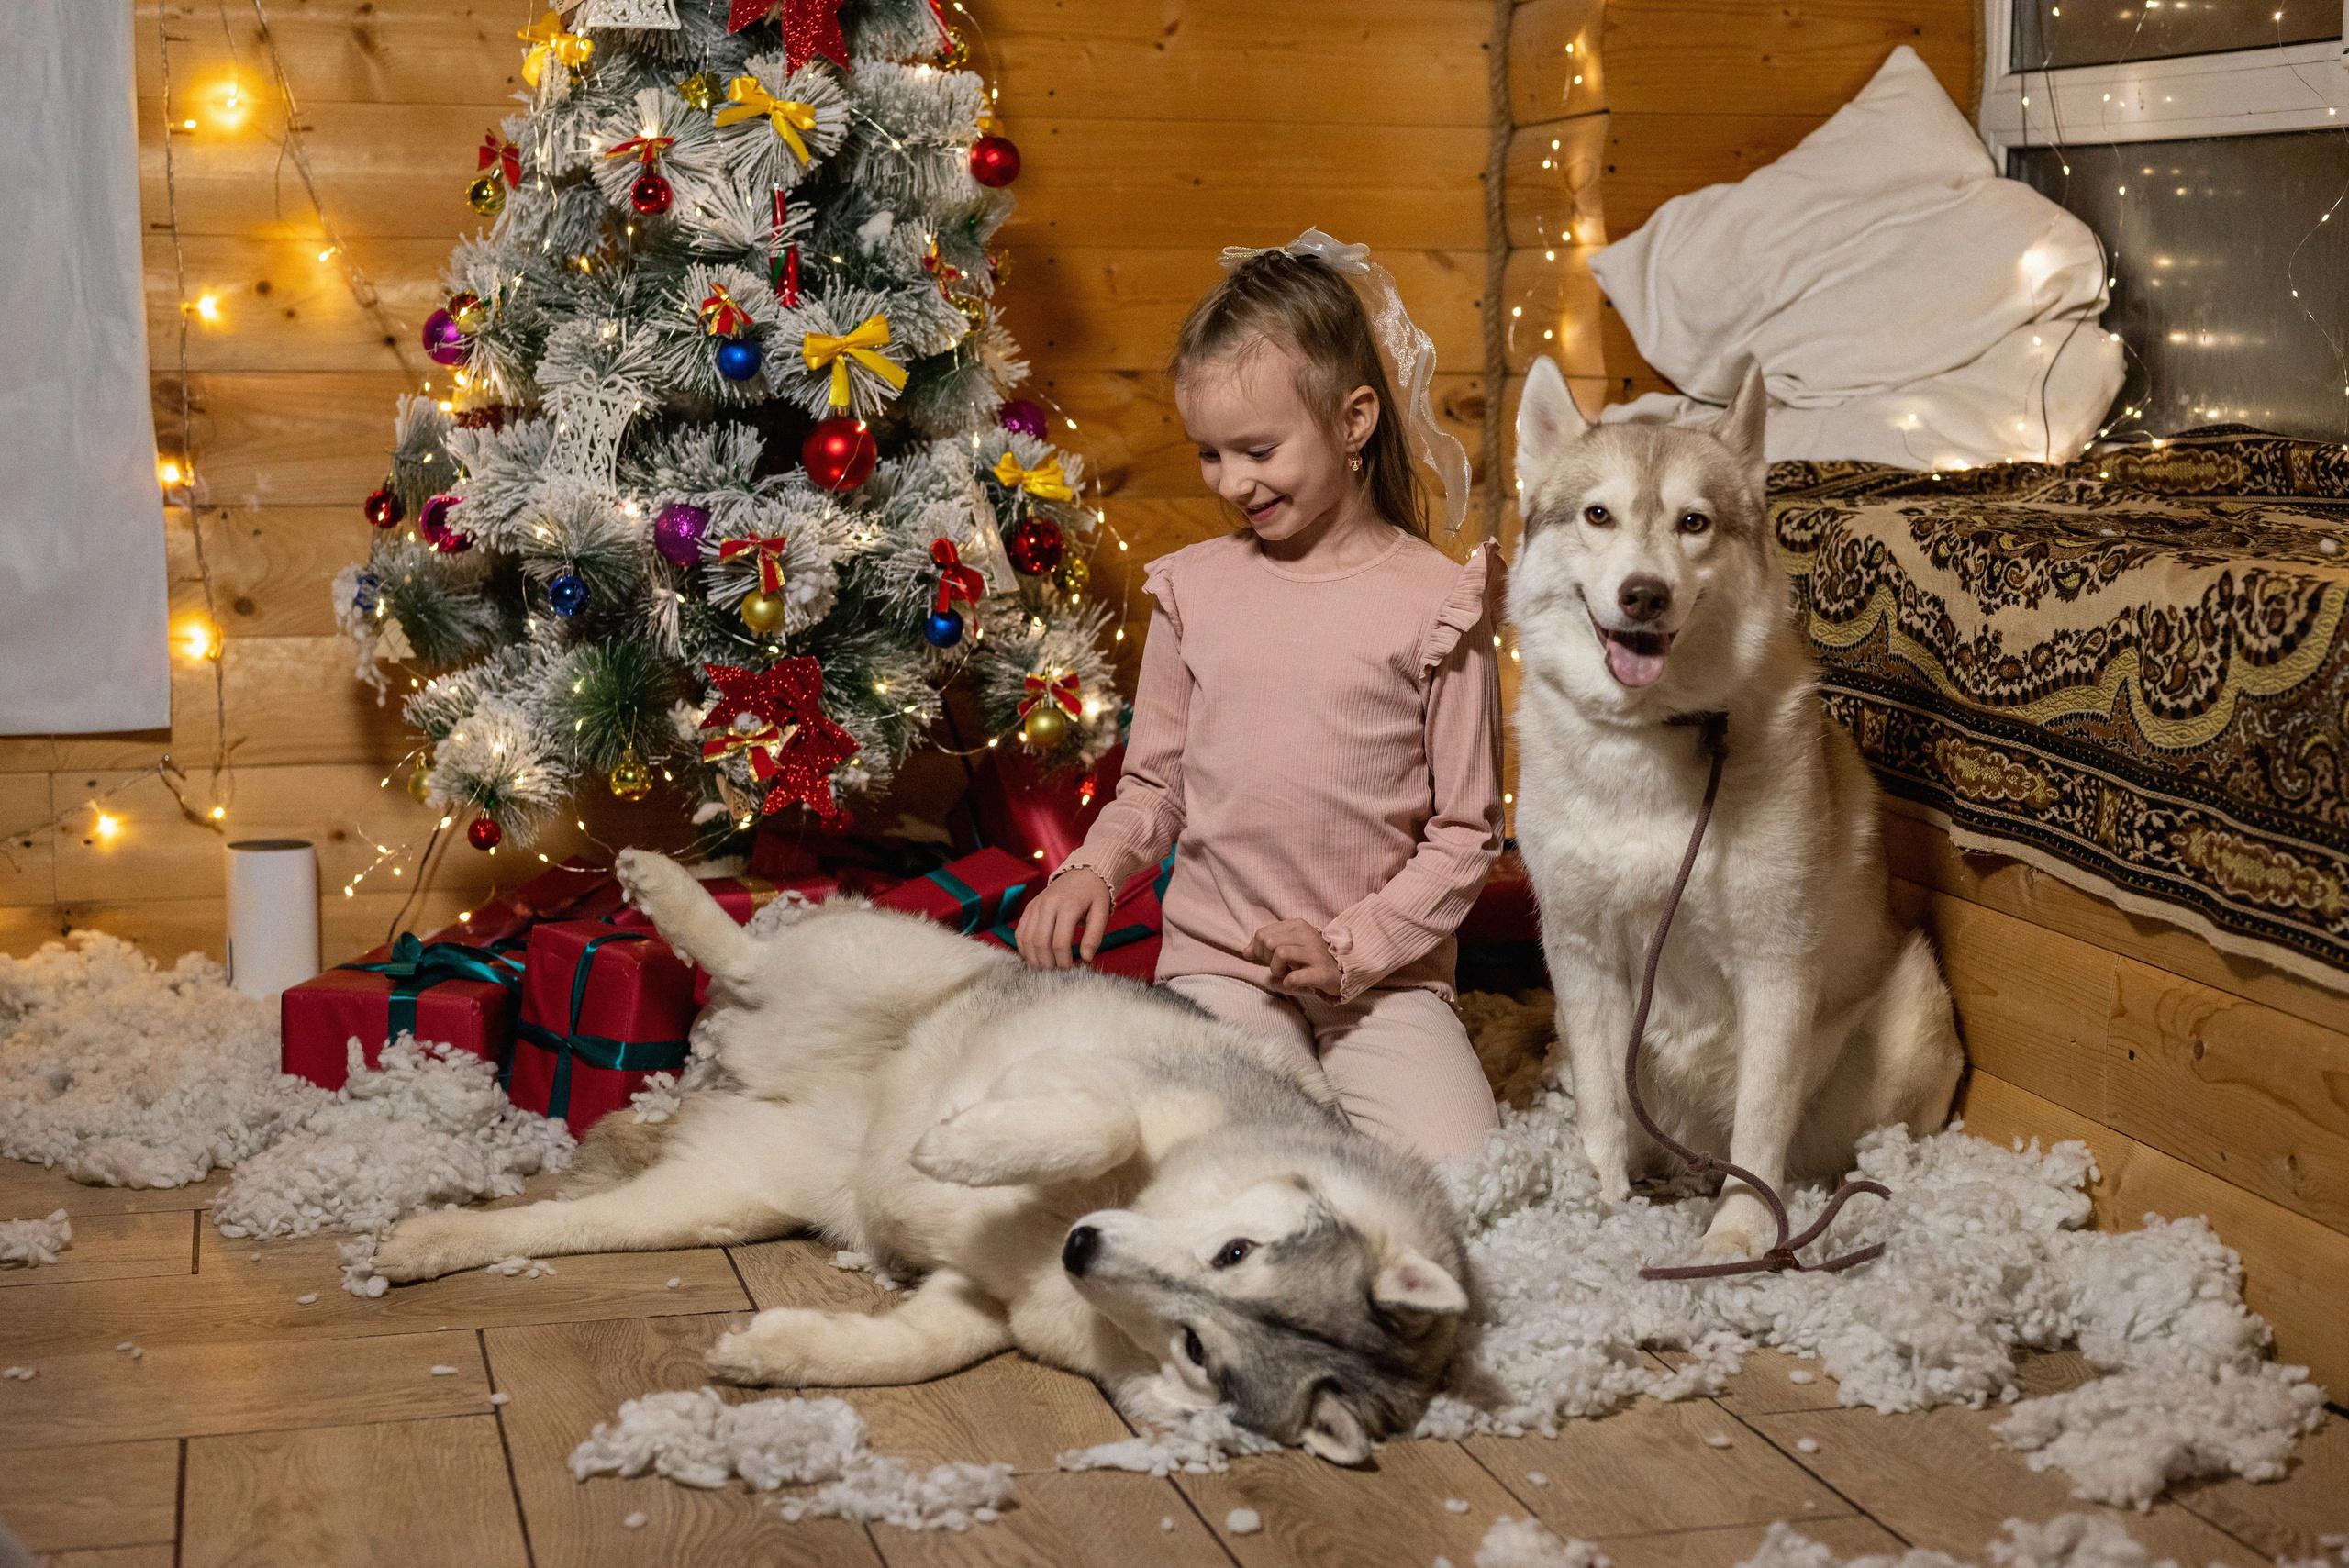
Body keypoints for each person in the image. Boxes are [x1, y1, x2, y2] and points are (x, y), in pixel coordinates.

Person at [1013, 229, 1506, 1162]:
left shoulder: (1437, 602)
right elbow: (1154, 787)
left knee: (1465, 1178)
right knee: (1236, 1161)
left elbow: (1467, 830)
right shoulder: (1192, 591)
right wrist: (1090, 870)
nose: (1231, 481)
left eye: (1258, 448)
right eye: (1209, 453)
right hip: (1220, 963)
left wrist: (1353, 950)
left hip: (1382, 980)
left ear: (1353, 420)